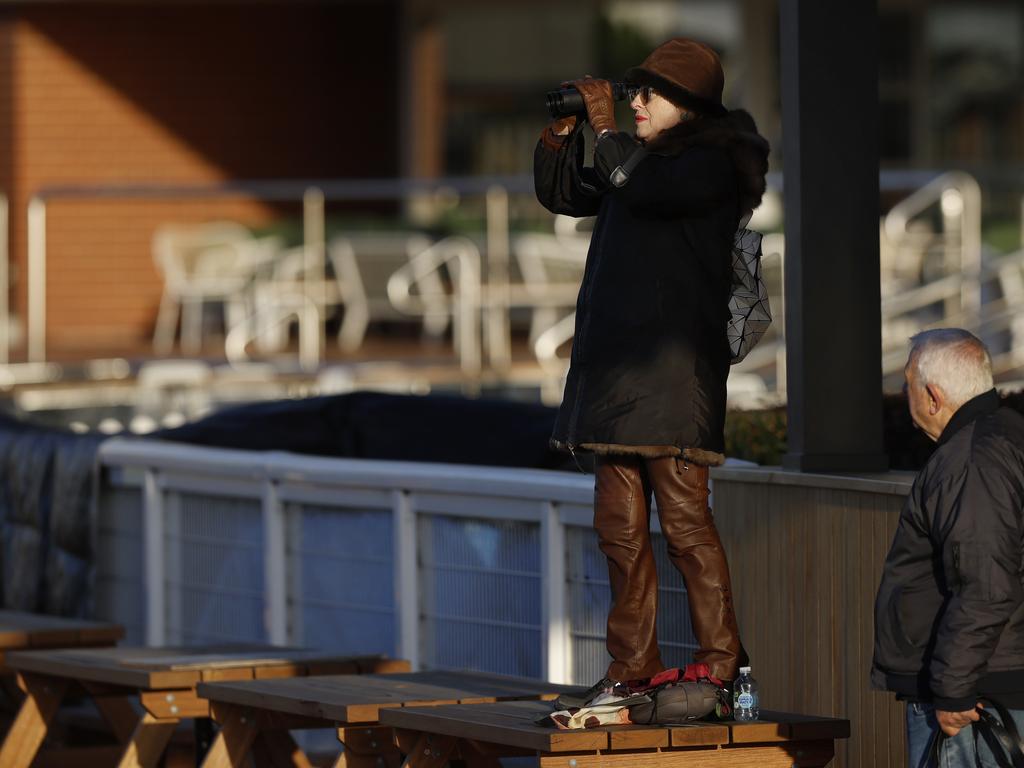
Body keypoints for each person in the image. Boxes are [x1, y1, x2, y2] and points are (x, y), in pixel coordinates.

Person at [533, 37, 769, 700]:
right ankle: (631, 666)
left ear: (690, 105)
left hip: (673, 374)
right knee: (619, 529)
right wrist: (564, 129)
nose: (634, 102)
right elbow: (568, 193)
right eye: (631, 91)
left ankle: (722, 666)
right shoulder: (636, 163)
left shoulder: (718, 159)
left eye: (649, 93)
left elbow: (638, 183)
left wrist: (605, 125)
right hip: (615, 377)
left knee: (687, 526)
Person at [872, 329, 1024, 767]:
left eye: (907, 385)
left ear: (933, 395)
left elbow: (986, 583)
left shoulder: (972, 458)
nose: (905, 395)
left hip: (978, 695)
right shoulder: (1004, 436)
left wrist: (954, 689)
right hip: (990, 679)